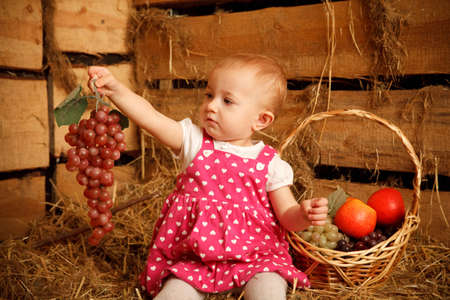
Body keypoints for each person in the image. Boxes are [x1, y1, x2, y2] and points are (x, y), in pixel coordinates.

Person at [88, 53, 328, 300]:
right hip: (194, 261)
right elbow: (152, 118)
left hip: (256, 259)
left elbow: (287, 216)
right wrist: (115, 90)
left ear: (261, 119)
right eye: (209, 95)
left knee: (269, 290)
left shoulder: (270, 164)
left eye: (227, 101)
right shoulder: (194, 142)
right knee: (172, 296)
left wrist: (303, 214)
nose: (211, 105)